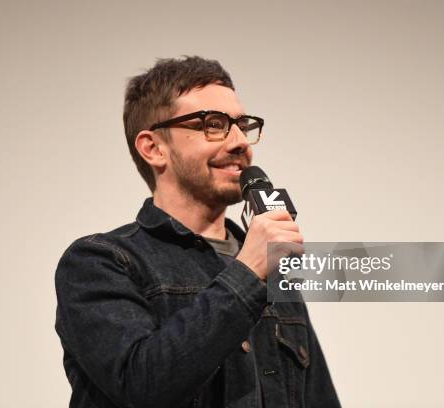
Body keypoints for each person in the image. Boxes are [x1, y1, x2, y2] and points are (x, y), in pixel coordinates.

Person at [54, 56, 341, 408]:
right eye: (214, 124)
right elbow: (143, 386)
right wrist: (247, 274)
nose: (240, 142)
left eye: (242, 125)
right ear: (154, 148)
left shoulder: (273, 269)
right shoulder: (101, 263)